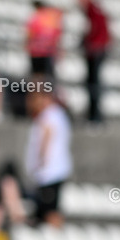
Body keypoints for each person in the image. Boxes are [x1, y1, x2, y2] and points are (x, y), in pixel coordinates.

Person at [24, 86, 72, 227]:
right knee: (50, 209)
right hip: (56, 171)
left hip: (49, 172)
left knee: (49, 211)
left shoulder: (48, 115)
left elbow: (46, 137)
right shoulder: (59, 114)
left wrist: (40, 160)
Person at [78, 0, 111, 123]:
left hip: (95, 51)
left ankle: (94, 116)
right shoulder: (95, 11)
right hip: (98, 49)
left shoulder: (92, 11)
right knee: (93, 82)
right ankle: (93, 115)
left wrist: (87, 43)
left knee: (93, 83)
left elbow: (93, 29)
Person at [25, 0, 63, 77]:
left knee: (37, 74)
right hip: (48, 51)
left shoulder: (36, 18)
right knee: (47, 76)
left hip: (37, 51)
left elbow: (30, 34)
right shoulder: (52, 17)